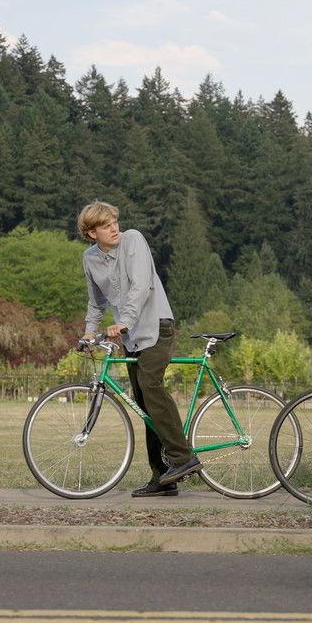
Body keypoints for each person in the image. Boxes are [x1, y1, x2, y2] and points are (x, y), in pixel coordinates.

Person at [78, 201, 201, 497]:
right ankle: (163, 477)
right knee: (142, 403)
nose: (114, 227)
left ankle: (184, 458)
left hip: (157, 325)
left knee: (151, 385)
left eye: (114, 222)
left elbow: (141, 286)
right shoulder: (90, 259)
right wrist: (88, 333)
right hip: (132, 336)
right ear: (92, 232)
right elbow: (97, 302)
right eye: (106, 225)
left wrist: (123, 323)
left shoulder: (133, 239)